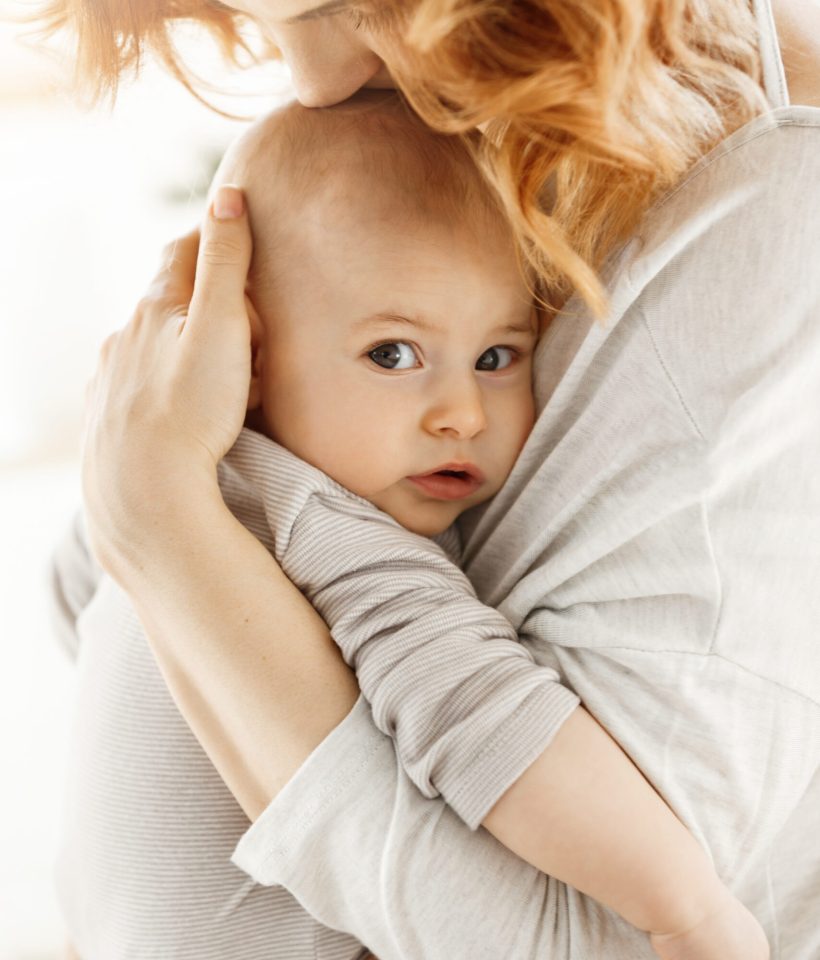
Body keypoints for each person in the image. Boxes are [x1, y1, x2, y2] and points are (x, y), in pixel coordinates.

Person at [44, 0, 820, 958]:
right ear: (249, 349)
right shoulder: (319, 518)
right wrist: (684, 908)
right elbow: (493, 727)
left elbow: (75, 591)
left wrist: (150, 517)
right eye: (392, 354)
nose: (463, 414)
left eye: (499, 357)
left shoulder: (179, 456)